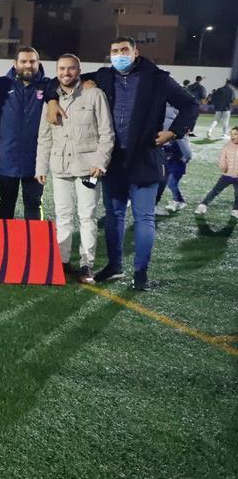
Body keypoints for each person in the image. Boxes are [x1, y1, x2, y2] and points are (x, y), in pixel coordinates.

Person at [51, 36, 199, 290]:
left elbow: (190, 104)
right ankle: (114, 265)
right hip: (113, 159)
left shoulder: (158, 78)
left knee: (144, 217)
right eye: (114, 50)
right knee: (114, 215)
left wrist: (173, 132)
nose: (118, 54)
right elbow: (63, 77)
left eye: (123, 50)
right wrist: (51, 100)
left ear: (135, 52)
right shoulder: (104, 75)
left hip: (145, 157)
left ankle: (141, 272)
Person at [36, 54, 114, 284]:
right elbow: (44, 137)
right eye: (62, 69)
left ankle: (86, 264)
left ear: (79, 71)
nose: (66, 73)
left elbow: (107, 133)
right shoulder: (51, 101)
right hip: (60, 168)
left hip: (88, 169)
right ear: (56, 71)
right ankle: (62, 261)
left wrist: (100, 162)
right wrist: (41, 166)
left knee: (87, 217)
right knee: (63, 216)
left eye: (71, 69)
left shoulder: (94, 95)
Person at [0, 46, 50, 220]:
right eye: (24, 61)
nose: (28, 65)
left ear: (38, 63)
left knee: (34, 204)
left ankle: (34, 243)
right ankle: (2, 243)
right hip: (6, 159)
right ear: (15, 63)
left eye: (32, 61)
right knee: (6, 203)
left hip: (37, 160)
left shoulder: (48, 86)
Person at [194, 127, 238, 219]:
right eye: (231, 134)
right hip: (227, 175)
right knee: (215, 191)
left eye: (235, 134)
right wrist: (223, 167)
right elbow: (221, 159)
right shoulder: (227, 147)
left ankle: (236, 210)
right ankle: (203, 205)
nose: (232, 136)